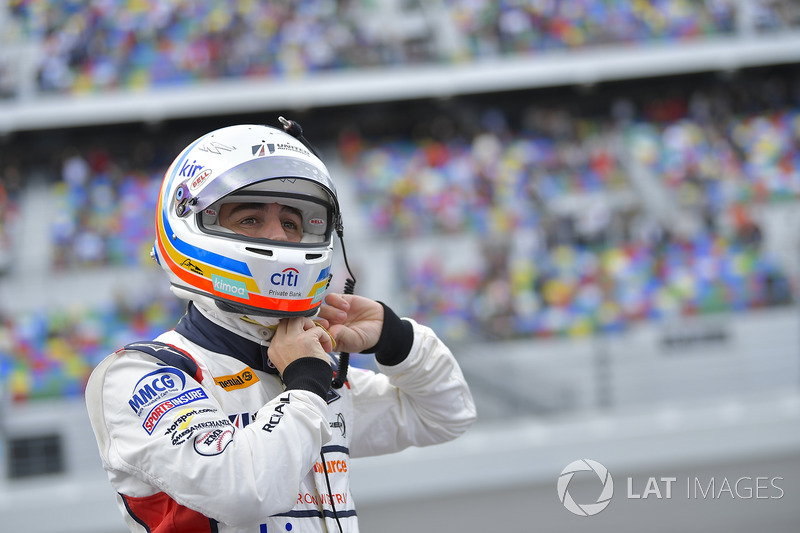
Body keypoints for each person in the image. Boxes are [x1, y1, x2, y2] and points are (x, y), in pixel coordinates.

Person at [85, 119, 477, 533]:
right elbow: (243, 491)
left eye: (292, 223)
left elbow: (445, 415)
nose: (279, 237)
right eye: (251, 219)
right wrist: (305, 384)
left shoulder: (307, 365)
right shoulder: (142, 374)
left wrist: (395, 338)